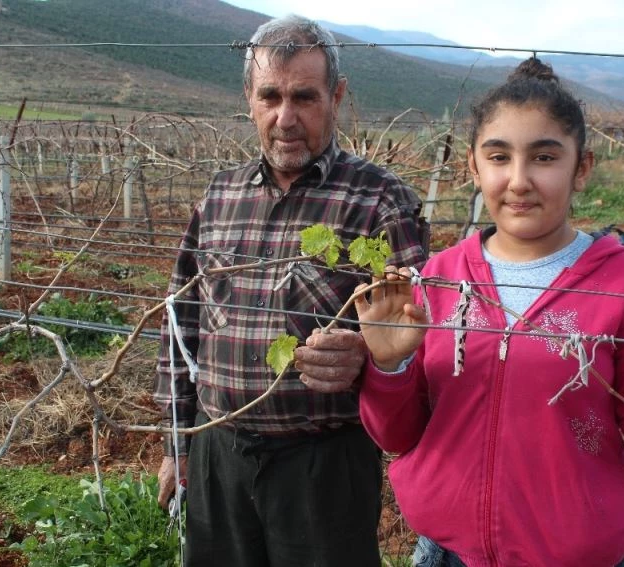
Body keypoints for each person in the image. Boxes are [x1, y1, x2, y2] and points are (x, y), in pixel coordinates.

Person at [353, 57, 624, 567]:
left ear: (582, 169)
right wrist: (389, 368)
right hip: (445, 554)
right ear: (474, 167)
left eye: (545, 158)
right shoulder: (438, 278)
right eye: (499, 157)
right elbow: (397, 436)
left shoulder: (622, 286)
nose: (519, 180)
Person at [153, 14, 428, 567]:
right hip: (216, 453)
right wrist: (178, 444)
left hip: (324, 467)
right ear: (248, 97)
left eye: (304, 97)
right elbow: (180, 323)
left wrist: (367, 358)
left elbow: (421, 340)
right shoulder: (219, 197)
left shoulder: (380, 201)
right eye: (270, 96)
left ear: (337, 96)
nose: (285, 118)